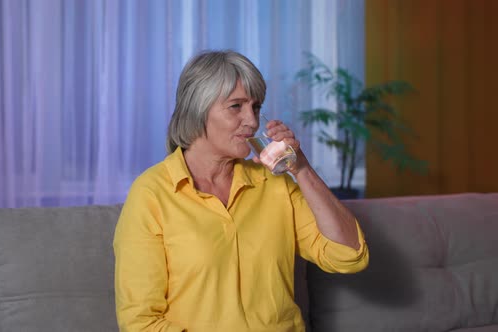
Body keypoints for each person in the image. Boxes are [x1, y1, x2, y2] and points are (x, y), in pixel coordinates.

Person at [113, 50, 369, 332]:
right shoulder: (151, 194)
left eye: (256, 107)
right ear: (198, 109)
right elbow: (141, 322)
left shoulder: (274, 184)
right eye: (236, 106)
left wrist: (303, 169)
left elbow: (348, 256)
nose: (252, 121)